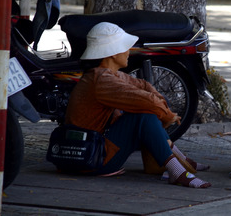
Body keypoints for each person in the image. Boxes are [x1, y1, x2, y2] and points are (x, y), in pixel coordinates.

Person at [65, 22, 211, 188]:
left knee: (149, 110)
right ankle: (177, 170)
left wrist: (162, 107)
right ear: (113, 53)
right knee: (145, 116)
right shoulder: (102, 80)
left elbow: (143, 85)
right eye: (125, 47)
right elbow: (147, 101)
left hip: (93, 152)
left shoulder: (106, 75)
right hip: (90, 159)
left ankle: (178, 162)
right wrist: (166, 115)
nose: (129, 51)